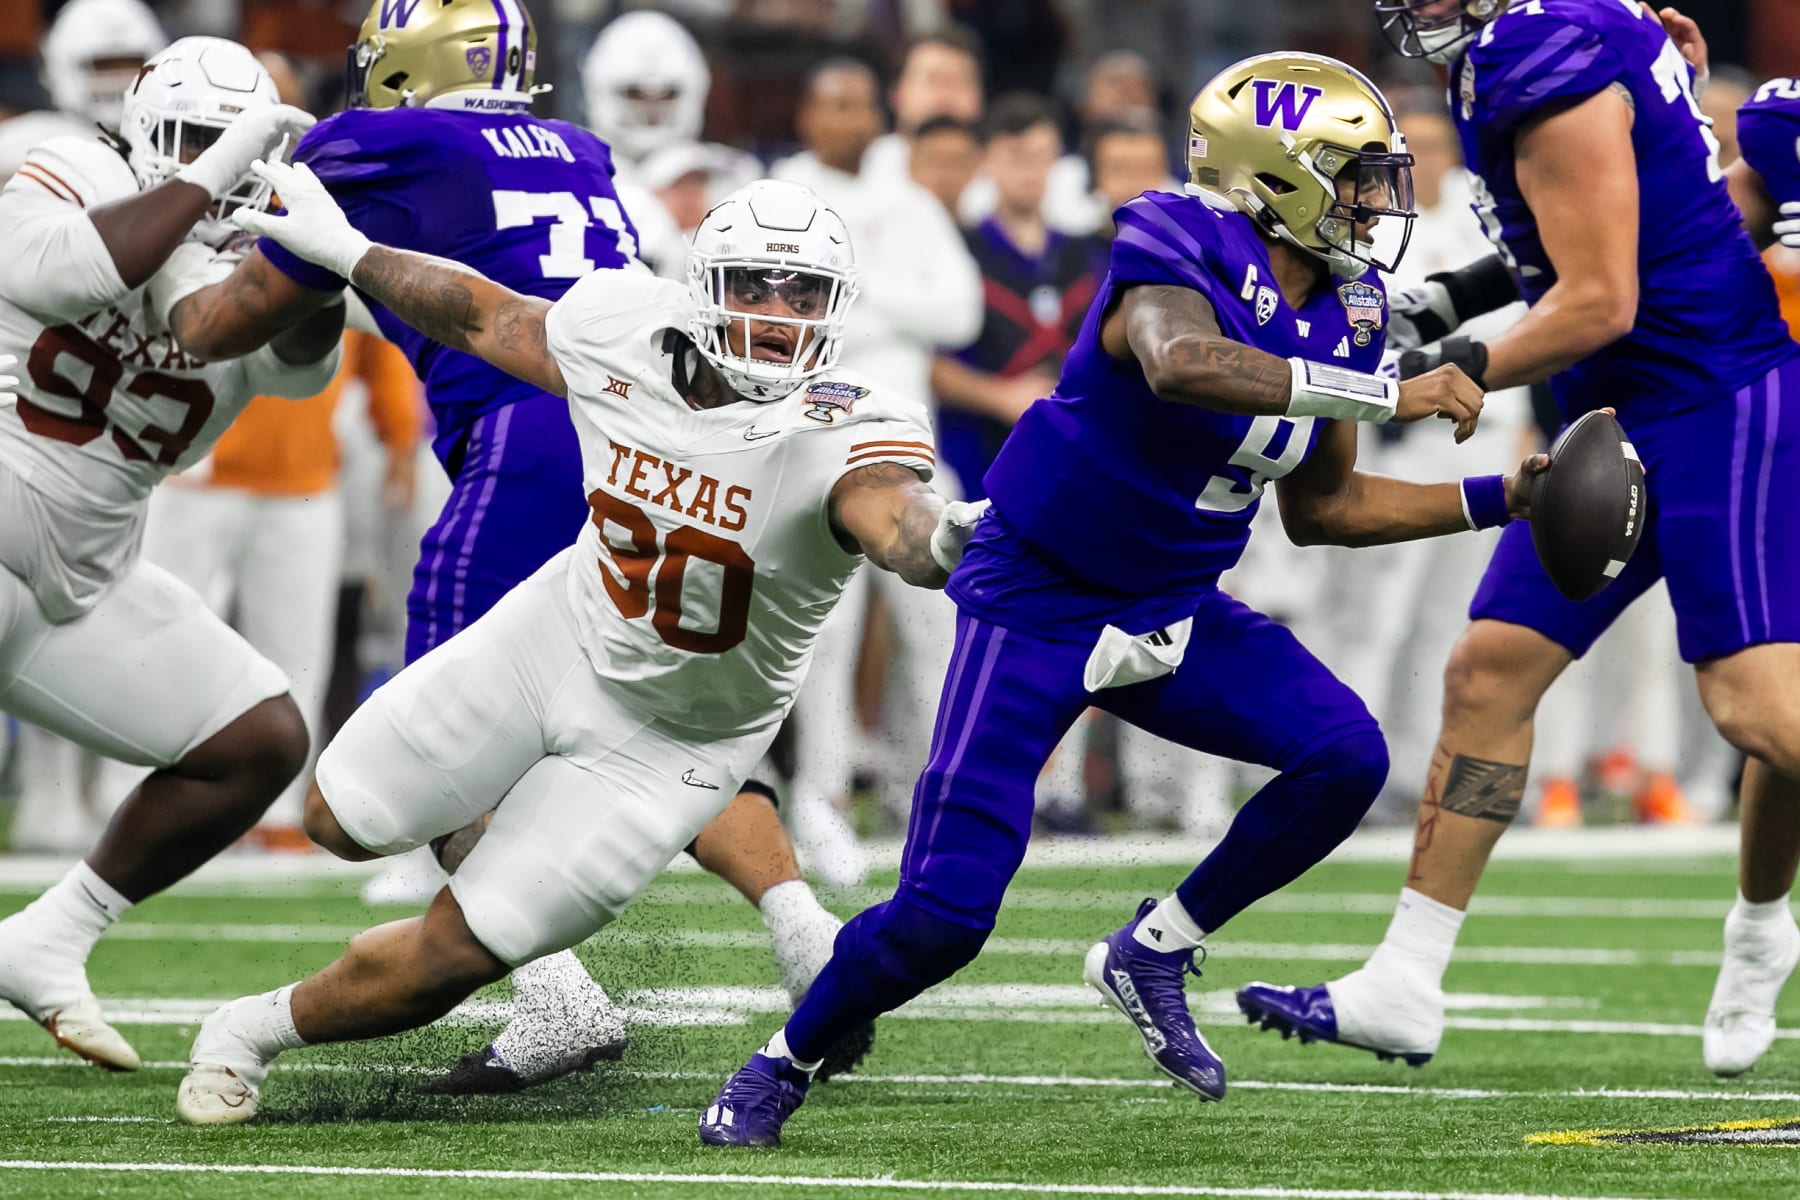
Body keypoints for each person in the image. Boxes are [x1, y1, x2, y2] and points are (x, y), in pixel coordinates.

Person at [699, 52, 1523, 1148]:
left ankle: (1157, 947)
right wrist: (1386, 388)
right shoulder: (1179, 236)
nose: (1378, 203)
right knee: (944, 919)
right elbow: (1180, 361)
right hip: (1038, 593)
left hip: (1173, 604)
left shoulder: (1360, 306)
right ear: (1277, 176)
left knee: (1345, 756)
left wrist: (1503, 496)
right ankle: (781, 1062)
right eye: (1357, 177)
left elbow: (1324, 509)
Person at [163, 0, 871, 1092]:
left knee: (452, 732)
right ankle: (800, 927)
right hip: (641, 439)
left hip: (524, 433)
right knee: (667, 714)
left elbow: (243, 318)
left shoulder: (379, 140)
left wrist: (170, 278)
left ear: (402, 66)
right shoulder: (577, 150)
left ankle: (553, 1000)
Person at [1237, 0, 1800, 1083]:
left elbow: (1599, 300)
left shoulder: (1541, 50)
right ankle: (1406, 977)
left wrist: (1434, 372)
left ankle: (1759, 928)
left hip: (1713, 403)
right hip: (1621, 416)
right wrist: (1456, 294)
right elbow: (1622, 218)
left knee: (1762, 711)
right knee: (1488, 671)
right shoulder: (1587, 28)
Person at [0, 37, 330, 1072]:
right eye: (200, 143)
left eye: (244, 154)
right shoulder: (69, 164)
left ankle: (48, 938)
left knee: (257, 739)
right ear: (145, 133)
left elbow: (297, 370)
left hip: (80, 574)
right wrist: (211, 176)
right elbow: (64, 270)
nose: (227, 171)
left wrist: (314, 253)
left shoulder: (246, 255)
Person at [773, 59, 981, 886]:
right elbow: (791, 325)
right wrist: (887, 310)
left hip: (918, 451)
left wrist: (858, 299)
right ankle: (820, 805)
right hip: (819, 450)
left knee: (946, 628)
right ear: (807, 114)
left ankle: (934, 800)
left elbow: (959, 312)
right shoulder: (781, 194)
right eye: (834, 101)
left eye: (861, 101)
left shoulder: (909, 198)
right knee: (826, 640)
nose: (850, 116)